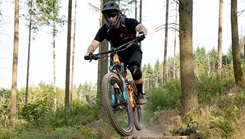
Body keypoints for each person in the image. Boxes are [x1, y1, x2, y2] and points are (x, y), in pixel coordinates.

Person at [84, 1, 147, 105]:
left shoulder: (128, 22)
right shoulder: (105, 29)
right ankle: (120, 98)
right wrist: (89, 52)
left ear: (118, 15)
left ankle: (140, 94)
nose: (111, 18)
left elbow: (140, 27)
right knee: (114, 74)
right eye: (108, 16)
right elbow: (94, 44)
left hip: (132, 50)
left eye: (113, 15)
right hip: (117, 53)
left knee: (135, 69)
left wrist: (142, 33)